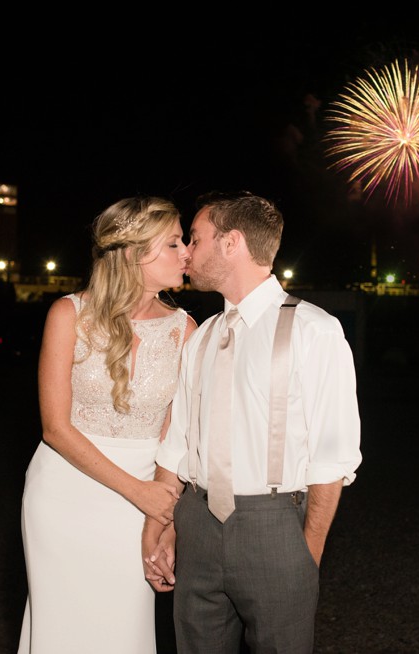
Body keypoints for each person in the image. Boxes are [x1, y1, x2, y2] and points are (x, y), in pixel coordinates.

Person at [142, 190, 362, 653]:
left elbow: (332, 456)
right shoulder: (202, 336)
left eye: (196, 240)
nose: (187, 253)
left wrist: (307, 557)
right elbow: (178, 442)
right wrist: (164, 524)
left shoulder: (314, 330)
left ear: (231, 243)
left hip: (274, 526)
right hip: (197, 522)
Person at [18, 195, 197, 653]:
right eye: (174, 243)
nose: (187, 254)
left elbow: (175, 438)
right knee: (62, 626)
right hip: (64, 491)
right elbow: (55, 427)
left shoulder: (185, 329)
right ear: (136, 253)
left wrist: (165, 520)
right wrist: (138, 492)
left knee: (124, 628)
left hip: (147, 497)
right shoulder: (68, 314)